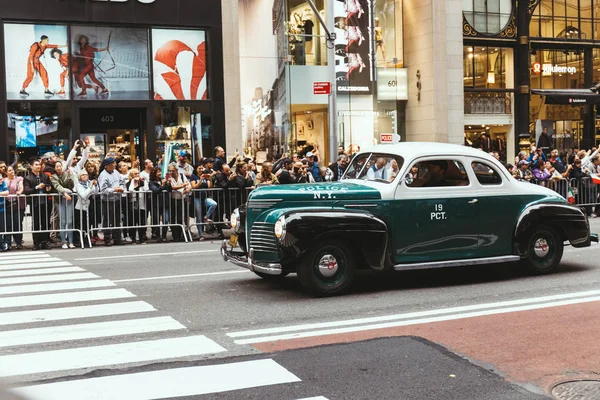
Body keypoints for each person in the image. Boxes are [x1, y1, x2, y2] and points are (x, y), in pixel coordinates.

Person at [23, 159, 53, 250]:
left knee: (46, 222)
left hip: (45, 203)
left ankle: (45, 241)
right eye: (36, 165)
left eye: (39, 165)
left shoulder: (45, 176)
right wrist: (36, 187)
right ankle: (36, 243)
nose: (38, 166)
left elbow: (50, 187)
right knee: (36, 223)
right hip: (35, 203)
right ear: (31, 166)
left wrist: (49, 189)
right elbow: (27, 191)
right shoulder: (28, 178)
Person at [98, 157, 125, 246]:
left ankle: (117, 238)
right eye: (113, 163)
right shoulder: (103, 175)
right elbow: (103, 189)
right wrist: (114, 190)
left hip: (117, 199)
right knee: (107, 220)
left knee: (117, 219)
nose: (115, 165)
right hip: (107, 200)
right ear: (107, 165)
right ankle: (107, 239)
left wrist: (121, 187)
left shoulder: (116, 172)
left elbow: (122, 181)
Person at [51, 161, 76, 249]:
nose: (58, 168)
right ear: (55, 168)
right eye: (57, 166)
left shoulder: (67, 174)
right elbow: (57, 186)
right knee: (62, 221)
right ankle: (64, 242)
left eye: (60, 166)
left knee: (69, 221)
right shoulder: (53, 177)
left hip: (69, 199)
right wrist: (64, 193)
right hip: (60, 200)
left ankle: (71, 241)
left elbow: (72, 186)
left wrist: (70, 177)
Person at [190, 164, 217, 241]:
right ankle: (201, 234)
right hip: (196, 198)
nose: (201, 170)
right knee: (198, 216)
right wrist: (201, 180)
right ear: (196, 169)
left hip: (204, 197)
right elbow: (194, 187)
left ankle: (206, 217)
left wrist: (210, 179)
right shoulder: (193, 177)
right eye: (199, 168)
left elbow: (209, 187)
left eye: (202, 168)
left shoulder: (204, 176)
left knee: (213, 204)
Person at [165, 164, 190, 242]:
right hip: (172, 200)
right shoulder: (168, 177)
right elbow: (171, 187)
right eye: (170, 171)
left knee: (180, 218)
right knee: (172, 218)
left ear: (177, 170)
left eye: (173, 170)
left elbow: (188, 185)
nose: (171, 172)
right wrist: (182, 185)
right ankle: (174, 235)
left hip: (181, 199)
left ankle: (180, 235)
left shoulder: (182, 176)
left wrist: (188, 189)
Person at [74, 169, 98, 247]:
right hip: (80, 207)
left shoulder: (89, 183)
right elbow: (83, 195)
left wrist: (96, 185)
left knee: (88, 224)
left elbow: (96, 192)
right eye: (83, 175)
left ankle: (87, 239)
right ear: (80, 177)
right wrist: (90, 187)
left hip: (88, 206)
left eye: (86, 175)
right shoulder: (78, 185)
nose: (85, 176)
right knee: (81, 224)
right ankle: (81, 240)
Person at [126, 168, 149, 244]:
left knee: (142, 221)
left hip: (142, 204)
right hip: (132, 204)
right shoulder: (129, 183)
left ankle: (142, 238)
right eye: (135, 174)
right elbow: (130, 189)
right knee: (133, 221)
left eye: (138, 173)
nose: (138, 175)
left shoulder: (142, 182)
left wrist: (144, 181)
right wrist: (133, 181)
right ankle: (133, 238)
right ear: (132, 175)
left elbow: (146, 189)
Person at [5, 166, 25, 249]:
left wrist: (19, 192)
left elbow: (21, 187)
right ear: (6, 172)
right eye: (9, 170)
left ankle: (18, 242)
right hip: (7, 204)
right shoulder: (3, 180)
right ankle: (8, 243)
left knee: (18, 223)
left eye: (12, 170)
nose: (11, 172)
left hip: (18, 204)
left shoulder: (19, 179)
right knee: (8, 224)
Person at [148, 168, 169, 242]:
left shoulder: (162, 180)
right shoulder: (151, 182)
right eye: (158, 172)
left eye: (160, 171)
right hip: (156, 203)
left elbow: (169, 190)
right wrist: (162, 185)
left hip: (165, 203)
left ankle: (164, 236)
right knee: (156, 220)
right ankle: (158, 236)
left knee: (166, 220)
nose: (160, 173)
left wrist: (168, 183)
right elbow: (156, 190)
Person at [0, 176, 9, 252]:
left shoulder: (3, 183)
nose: (0, 180)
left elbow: (6, 192)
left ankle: (2, 243)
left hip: (2, 209)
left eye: (1, 179)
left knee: (2, 227)